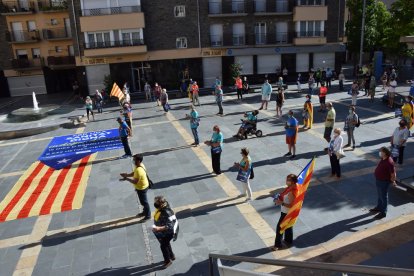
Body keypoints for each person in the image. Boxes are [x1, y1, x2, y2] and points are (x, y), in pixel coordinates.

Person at [120, 154, 151, 220]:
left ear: (139, 161)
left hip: (142, 188)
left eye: (134, 160)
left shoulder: (138, 170)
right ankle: (145, 212)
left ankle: (148, 215)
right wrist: (127, 175)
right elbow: (134, 173)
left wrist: (126, 178)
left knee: (144, 202)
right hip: (143, 186)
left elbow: (135, 182)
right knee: (143, 201)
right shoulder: (139, 165)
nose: (133, 161)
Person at [272, 174, 298, 251]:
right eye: (287, 179)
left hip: (286, 213)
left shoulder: (291, 192)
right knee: (288, 226)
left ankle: (278, 245)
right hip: (286, 212)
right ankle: (288, 240)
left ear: (292, 182)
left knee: (280, 227)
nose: (287, 181)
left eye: (289, 180)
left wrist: (281, 203)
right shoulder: (290, 188)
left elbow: (292, 205)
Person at [370, 147, 397, 219]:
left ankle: (383, 212)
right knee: (380, 195)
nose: (379, 153)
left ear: (385, 153)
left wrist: (393, 180)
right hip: (379, 180)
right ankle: (379, 207)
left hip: (384, 182)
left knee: (383, 197)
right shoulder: (383, 158)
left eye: (381, 152)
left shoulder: (389, 162)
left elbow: (393, 173)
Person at [152, 196, 178, 269]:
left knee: (163, 245)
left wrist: (159, 228)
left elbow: (170, 225)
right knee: (166, 243)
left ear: (161, 203)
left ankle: (168, 261)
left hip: (168, 232)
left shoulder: (166, 212)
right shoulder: (161, 208)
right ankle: (171, 256)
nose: (155, 204)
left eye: (156, 202)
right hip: (163, 231)